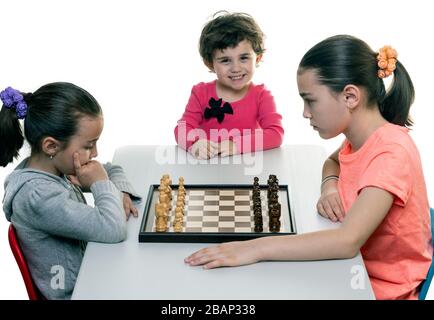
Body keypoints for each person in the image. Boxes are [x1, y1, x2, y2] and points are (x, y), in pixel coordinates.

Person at [185, 35, 432, 300]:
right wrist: (329, 187)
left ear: (350, 96)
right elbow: (332, 161)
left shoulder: (391, 152)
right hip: (349, 268)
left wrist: (254, 249)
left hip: (377, 288)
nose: (305, 112)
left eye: (310, 100)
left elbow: (347, 242)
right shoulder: (361, 137)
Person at [0, 82, 140, 299]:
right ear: (51, 146)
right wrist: (101, 185)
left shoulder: (57, 166)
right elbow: (113, 229)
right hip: (79, 293)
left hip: (93, 270)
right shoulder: (37, 196)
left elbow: (111, 169)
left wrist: (120, 194)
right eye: (88, 145)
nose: (95, 153)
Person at [174, 11, 284, 159]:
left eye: (244, 58)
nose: (236, 68)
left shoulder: (262, 96)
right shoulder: (200, 93)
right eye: (225, 60)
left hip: (248, 169)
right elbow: (182, 129)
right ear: (210, 64)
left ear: (257, 58)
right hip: (206, 168)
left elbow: (275, 134)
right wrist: (195, 143)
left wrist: (236, 145)